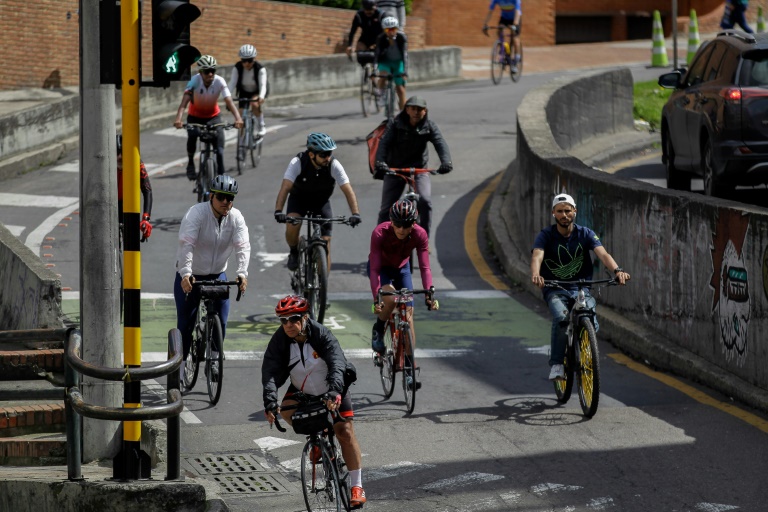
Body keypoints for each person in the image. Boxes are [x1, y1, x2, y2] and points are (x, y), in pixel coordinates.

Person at [262, 295, 367, 508]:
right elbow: (270, 371)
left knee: (344, 432)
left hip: (332, 387)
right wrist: (270, 401)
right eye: (283, 320)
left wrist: (334, 391)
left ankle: (357, 486)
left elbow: (337, 362)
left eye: (293, 319)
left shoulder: (321, 334)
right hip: (302, 390)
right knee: (285, 411)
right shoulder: (280, 340)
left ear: (305, 317)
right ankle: (318, 439)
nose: (288, 325)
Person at [530, 193, 630, 381]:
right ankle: (557, 364)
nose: (564, 215)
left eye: (567, 211)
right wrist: (536, 274)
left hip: (581, 287)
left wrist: (618, 270)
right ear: (553, 213)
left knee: (589, 317)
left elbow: (603, 254)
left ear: (574, 211)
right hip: (555, 287)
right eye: (560, 211)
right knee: (562, 317)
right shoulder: (546, 235)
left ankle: (583, 340)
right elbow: (537, 255)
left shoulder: (585, 233)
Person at [174, 174, 250, 382]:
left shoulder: (236, 217)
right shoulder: (196, 214)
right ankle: (180, 369)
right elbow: (187, 244)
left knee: (221, 320)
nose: (226, 202)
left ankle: (214, 359)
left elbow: (242, 247)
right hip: (192, 274)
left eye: (230, 198)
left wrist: (242, 273)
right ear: (211, 196)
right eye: (221, 197)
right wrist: (186, 273)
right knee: (186, 324)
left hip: (217, 273)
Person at [368, 199, 438, 389]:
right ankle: (378, 329)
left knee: (408, 316)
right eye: (397, 224)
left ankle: (409, 369)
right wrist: (377, 298)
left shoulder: (420, 234)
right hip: (381, 269)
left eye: (406, 225)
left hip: (402, 269)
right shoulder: (379, 233)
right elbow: (374, 269)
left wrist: (429, 292)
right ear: (391, 221)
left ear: (413, 223)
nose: (401, 229)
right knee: (390, 299)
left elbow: (424, 267)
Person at [273, 132, 362, 272]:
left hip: (321, 202)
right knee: (292, 224)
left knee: (326, 242)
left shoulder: (334, 164)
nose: (327, 158)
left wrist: (355, 213)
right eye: (323, 155)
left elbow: (348, 190)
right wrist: (278, 211)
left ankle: (323, 281)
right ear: (311, 154)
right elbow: (285, 188)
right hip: (299, 199)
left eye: (329, 153)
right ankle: (294, 251)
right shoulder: (298, 162)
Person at [374, 96, 452, 237]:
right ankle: (379, 241)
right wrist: (381, 162)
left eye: (420, 109)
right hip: (395, 169)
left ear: (425, 111)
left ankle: (424, 239)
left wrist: (446, 162)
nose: (416, 112)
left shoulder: (429, 126)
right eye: (413, 109)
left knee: (425, 201)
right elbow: (384, 144)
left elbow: (440, 143)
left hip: (419, 169)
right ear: (407, 110)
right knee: (386, 208)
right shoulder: (395, 124)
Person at [173, 55, 244, 181]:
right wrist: (178, 119)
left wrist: (238, 118)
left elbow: (229, 101)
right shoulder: (194, 81)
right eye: (206, 71)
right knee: (192, 136)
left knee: (220, 150)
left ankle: (221, 176)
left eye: (213, 70)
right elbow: (184, 103)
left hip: (213, 117)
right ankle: (190, 163)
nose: (210, 74)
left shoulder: (219, 81)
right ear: (200, 72)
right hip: (195, 117)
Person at [116, 134, 153, 241]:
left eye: (123, 153)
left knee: (132, 239)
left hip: (128, 204)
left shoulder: (136, 162)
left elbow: (147, 191)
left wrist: (146, 218)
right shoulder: (104, 164)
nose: (120, 157)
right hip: (109, 203)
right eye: (117, 153)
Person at [228, 44, 268, 138]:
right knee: (240, 113)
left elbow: (263, 85)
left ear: (254, 59)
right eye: (244, 60)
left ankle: (261, 126)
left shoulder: (260, 69)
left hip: (256, 91)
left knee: (254, 104)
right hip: (244, 91)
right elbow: (232, 83)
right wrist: (228, 96)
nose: (247, 63)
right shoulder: (237, 67)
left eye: (249, 60)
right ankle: (241, 139)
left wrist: (261, 96)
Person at [373, 16, 408, 111]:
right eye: (388, 29)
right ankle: (381, 94)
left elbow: (405, 55)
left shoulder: (401, 37)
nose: (391, 32)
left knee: (400, 89)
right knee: (383, 76)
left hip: (398, 63)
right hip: (385, 62)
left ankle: (403, 113)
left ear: (397, 29)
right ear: (384, 30)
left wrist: (405, 71)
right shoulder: (381, 38)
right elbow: (377, 54)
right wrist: (374, 70)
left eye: (393, 29)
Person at [482, 0, 522, 73]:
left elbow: (517, 11)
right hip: (504, 18)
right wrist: (485, 24)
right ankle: (503, 47)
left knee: (515, 38)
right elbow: (490, 11)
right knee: (500, 29)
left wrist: (515, 24)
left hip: (515, 18)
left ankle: (516, 60)